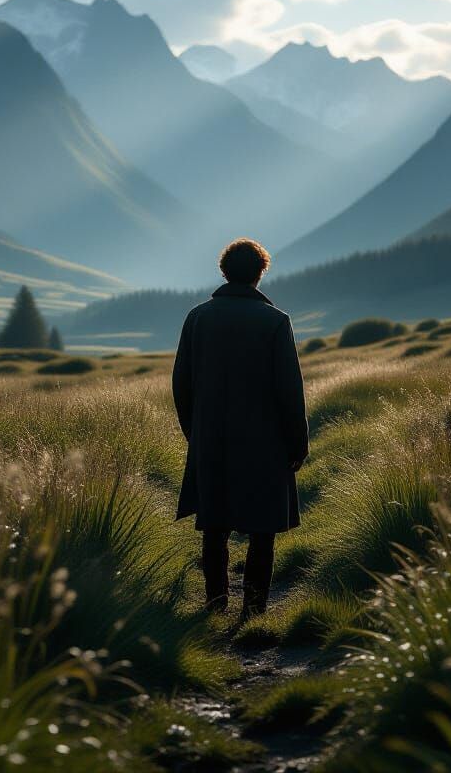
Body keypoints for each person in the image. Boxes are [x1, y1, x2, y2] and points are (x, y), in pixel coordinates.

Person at [172, 238, 309, 619]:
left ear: (224, 272)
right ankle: (254, 611)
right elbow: (289, 391)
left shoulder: (197, 318)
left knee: (214, 526)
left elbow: (181, 385)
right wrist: (297, 445)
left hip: (211, 439)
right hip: (266, 443)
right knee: (262, 529)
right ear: (260, 273)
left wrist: (194, 433)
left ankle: (214, 607)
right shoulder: (276, 322)